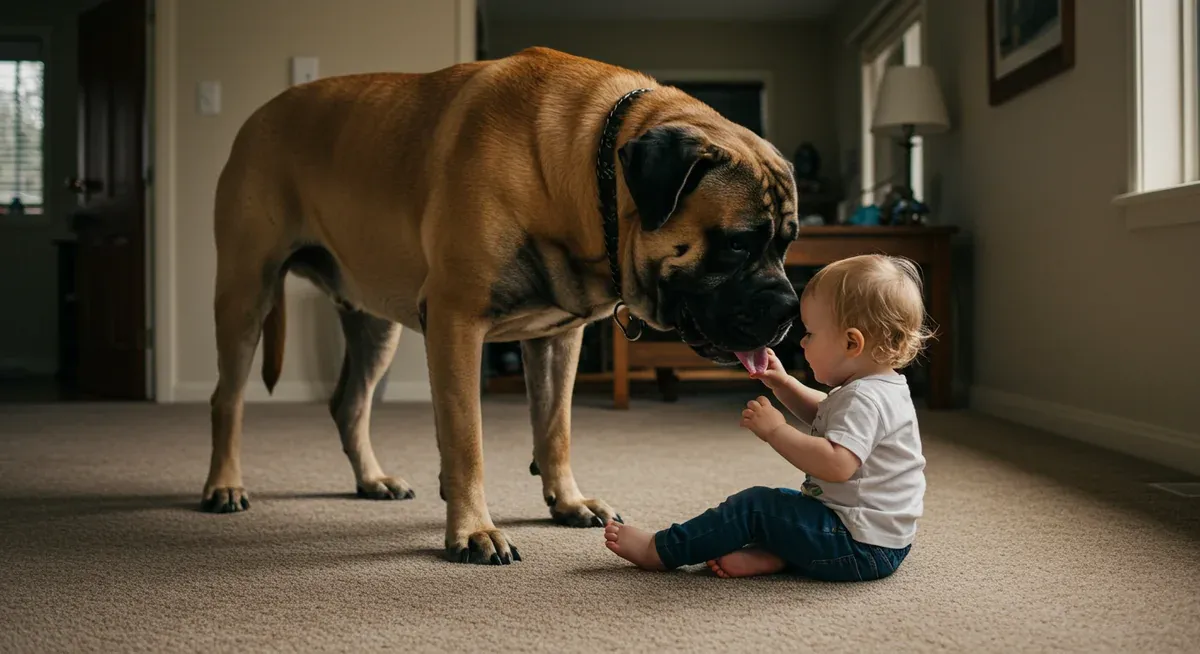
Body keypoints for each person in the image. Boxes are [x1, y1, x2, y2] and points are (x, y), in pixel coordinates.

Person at [603, 253, 932, 581]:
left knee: (756, 507)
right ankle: (776, 555)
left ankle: (660, 550)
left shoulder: (864, 399)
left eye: (811, 333)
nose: (802, 341)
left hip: (854, 544)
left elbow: (837, 465)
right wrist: (783, 383)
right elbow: (826, 413)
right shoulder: (881, 387)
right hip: (879, 541)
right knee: (787, 505)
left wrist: (776, 431)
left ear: (851, 343)